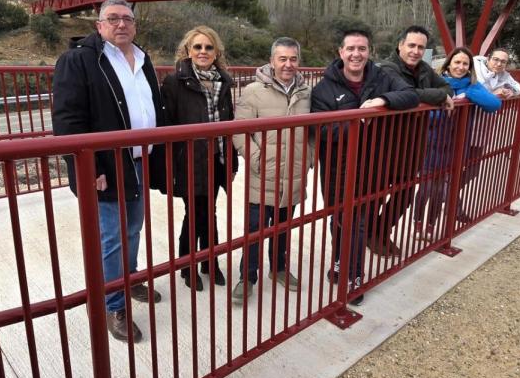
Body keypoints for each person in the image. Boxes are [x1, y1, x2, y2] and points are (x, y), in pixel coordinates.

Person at [52, 0, 164, 344]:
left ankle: (127, 279)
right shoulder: (80, 60)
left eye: (127, 19)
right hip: (105, 164)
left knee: (133, 227)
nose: (121, 24)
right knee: (112, 236)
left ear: (135, 24)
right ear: (98, 25)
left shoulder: (142, 58)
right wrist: (89, 165)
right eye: (112, 18)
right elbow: (68, 121)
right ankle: (113, 303)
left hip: (139, 160)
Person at [311, 29, 418, 305]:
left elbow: (410, 95)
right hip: (337, 169)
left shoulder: (382, 77)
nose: (356, 54)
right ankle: (338, 262)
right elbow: (322, 129)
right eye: (351, 49)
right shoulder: (324, 88)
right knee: (338, 218)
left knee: (358, 222)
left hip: (372, 166)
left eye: (362, 49)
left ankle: (354, 277)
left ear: (369, 52)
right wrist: (358, 121)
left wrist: (383, 101)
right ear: (341, 53)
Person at [230, 37, 312, 303]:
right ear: (271, 60)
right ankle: (247, 277)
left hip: (295, 175)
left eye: (293, 59)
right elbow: (238, 132)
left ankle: (278, 269)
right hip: (263, 175)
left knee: (283, 227)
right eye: (282, 58)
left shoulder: (307, 93)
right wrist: (257, 159)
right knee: (255, 228)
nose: (288, 64)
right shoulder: (253, 91)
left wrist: (309, 158)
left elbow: (313, 132)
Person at [161, 26, 238, 292]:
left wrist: (231, 160)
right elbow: (166, 125)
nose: (203, 52)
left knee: (210, 211)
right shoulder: (175, 82)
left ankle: (209, 261)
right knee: (193, 213)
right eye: (198, 47)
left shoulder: (224, 82)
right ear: (188, 51)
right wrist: (170, 164)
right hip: (189, 161)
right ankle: (188, 265)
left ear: (216, 52)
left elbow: (228, 122)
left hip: (217, 159)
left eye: (208, 47)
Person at [377, 25, 454, 252]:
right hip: (386, 144)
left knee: (405, 194)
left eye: (421, 47)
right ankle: (370, 235)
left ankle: (381, 231)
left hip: (412, 144)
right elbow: (407, 94)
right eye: (411, 45)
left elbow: (446, 86)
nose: (416, 51)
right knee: (376, 196)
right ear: (400, 45)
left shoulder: (423, 69)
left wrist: (440, 94)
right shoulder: (386, 68)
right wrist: (439, 96)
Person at [413, 47, 501, 237]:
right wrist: (445, 105)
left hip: (453, 146)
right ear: (448, 63)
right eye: (457, 62)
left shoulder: (471, 85)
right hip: (432, 145)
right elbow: (428, 116)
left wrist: (468, 95)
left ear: (470, 68)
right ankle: (418, 223)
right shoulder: (437, 83)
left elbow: (494, 104)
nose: (460, 67)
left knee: (438, 189)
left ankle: (430, 226)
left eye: (465, 64)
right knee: (427, 187)